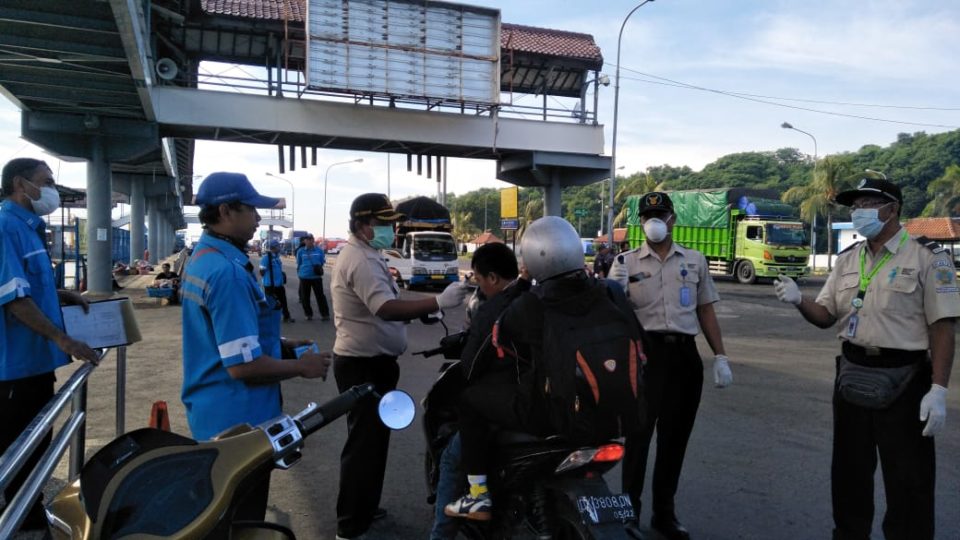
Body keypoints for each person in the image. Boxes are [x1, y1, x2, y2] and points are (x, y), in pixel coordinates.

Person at [772, 177, 960, 540]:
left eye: (867, 203)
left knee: (908, 480)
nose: (858, 211)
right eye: (855, 205)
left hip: (905, 379)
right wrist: (798, 301)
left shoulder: (927, 256)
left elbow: (943, 327)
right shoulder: (847, 260)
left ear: (892, 209)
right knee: (849, 474)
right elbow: (826, 316)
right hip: (853, 373)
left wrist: (938, 389)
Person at [445, 216, 643, 522]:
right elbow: (640, 344)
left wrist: (521, 284)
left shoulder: (530, 303)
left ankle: (478, 496)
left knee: (469, 399)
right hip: (612, 411)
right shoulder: (610, 291)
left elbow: (497, 343)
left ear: (534, 258)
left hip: (550, 412)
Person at [179, 171, 332, 521]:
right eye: (251, 209)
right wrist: (301, 367)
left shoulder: (205, 259)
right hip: (238, 422)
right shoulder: (228, 273)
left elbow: (224, 337)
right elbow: (242, 366)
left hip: (213, 411)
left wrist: (279, 343)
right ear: (227, 211)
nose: (258, 218)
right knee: (241, 518)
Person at [331, 193, 473, 540]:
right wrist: (438, 300)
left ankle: (365, 507)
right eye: (383, 223)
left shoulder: (370, 254)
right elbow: (384, 308)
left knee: (374, 442)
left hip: (375, 363)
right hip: (362, 366)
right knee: (363, 445)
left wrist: (426, 310)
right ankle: (350, 525)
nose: (391, 228)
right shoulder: (361, 260)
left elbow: (390, 305)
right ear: (363, 225)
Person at [610, 191, 733, 540]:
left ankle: (665, 513)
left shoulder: (694, 260)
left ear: (672, 219)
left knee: (674, 440)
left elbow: (705, 309)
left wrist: (721, 355)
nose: (655, 221)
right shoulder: (625, 263)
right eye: (648, 215)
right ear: (641, 221)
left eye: (660, 214)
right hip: (644, 356)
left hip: (683, 357)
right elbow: (614, 313)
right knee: (638, 439)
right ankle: (628, 513)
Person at [0, 157, 99, 532]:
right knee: (19, 454)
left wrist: (60, 294)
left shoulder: (28, 229)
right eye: (47, 181)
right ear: (21, 184)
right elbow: (13, 300)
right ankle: (23, 524)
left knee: (37, 447)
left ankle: (29, 513)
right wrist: (63, 338)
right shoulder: (5, 226)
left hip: (35, 366)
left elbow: (27, 286)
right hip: (13, 370)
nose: (53, 189)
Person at [430, 242, 530, 539]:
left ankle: (447, 529)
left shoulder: (496, 309)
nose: (479, 286)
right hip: (555, 399)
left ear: (494, 278)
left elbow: (471, 367)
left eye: (479, 278)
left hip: (515, 404)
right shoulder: (538, 295)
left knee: (451, 457)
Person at [297, 234, 331, 321]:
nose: (307, 241)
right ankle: (308, 314)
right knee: (305, 297)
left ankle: (325, 314)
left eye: (309, 239)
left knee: (320, 296)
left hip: (316, 277)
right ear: (304, 241)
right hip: (304, 277)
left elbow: (322, 261)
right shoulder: (300, 251)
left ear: (313, 240)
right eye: (306, 240)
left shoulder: (319, 250)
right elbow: (299, 263)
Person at [260, 240, 294, 322]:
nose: (280, 248)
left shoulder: (277, 257)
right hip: (270, 285)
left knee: (283, 301)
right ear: (274, 247)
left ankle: (286, 317)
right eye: (278, 246)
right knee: (271, 303)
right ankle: (269, 319)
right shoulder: (266, 258)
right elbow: (262, 272)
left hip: (279, 284)